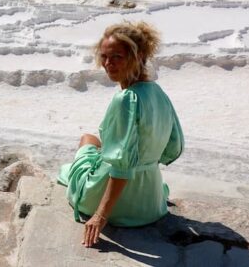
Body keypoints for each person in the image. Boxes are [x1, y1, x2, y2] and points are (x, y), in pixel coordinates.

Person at [58, 21, 183, 247]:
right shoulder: (158, 92)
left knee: (87, 140)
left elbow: (122, 167)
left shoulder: (126, 99)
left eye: (116, 56)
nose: (108, 64)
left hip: (116, 204)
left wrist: (100, 216)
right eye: (104, 57)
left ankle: (87, 180)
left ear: (137, 56)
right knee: (97, 145)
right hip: (150, 203)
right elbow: (173, 146)